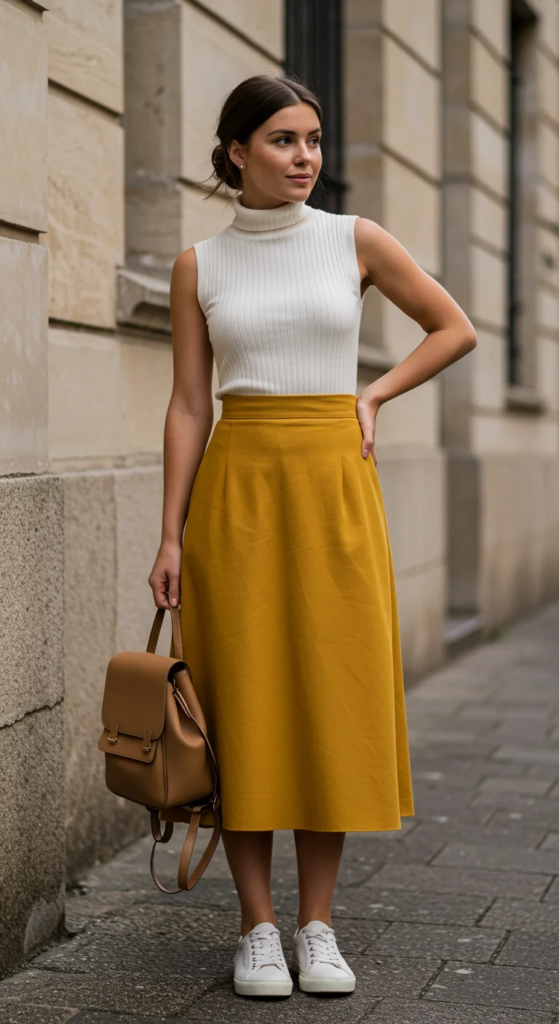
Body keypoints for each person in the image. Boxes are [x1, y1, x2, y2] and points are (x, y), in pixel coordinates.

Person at [148, 74, 476, 999]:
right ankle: (256, 929)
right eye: (285, 141)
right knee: (246, 700)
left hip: (334, 482)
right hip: (239, 490)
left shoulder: (354, 239)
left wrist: (370, 394)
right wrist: (169, 535)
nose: (305, 158)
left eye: (314, 140)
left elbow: (453, 328)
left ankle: (317, 926)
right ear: (236, 152)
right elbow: (185, 405)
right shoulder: (196, 265)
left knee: (330, 695)